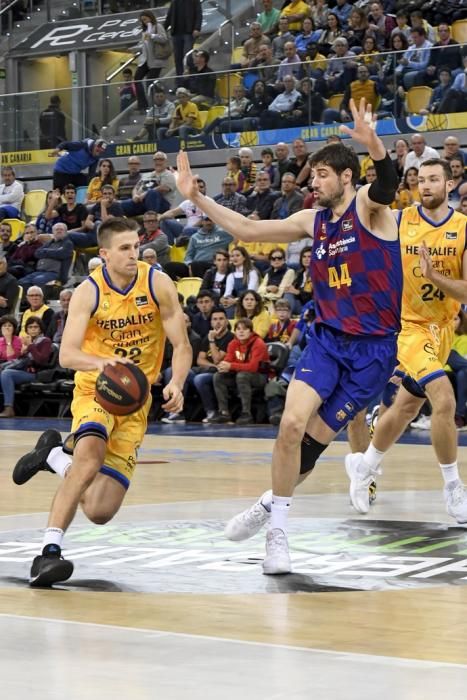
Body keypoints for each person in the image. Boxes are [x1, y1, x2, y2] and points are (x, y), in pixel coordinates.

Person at [176, 97, 402, 574]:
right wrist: (196, 197)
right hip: (326, 340)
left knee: (312, 447)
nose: (312, 181)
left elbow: (387, 183)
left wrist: (374, 145)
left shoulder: (369, 209)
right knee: (290, 427)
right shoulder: (310, 221)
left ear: (344, 177)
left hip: (374, 352)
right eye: (311, 175)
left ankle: (266, 504)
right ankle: (277, 534)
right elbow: (247, 228)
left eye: (321, 174)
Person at [12, 217, 192, 587]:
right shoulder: (88, 292)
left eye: (136, 245)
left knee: (99, 510)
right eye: (124, 248)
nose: (134, 253)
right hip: (97, 388)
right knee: (90, 459)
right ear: (105, 254)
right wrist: (104, 364)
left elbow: (183, 345)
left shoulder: (157, 283)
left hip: (137, 400)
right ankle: (48, 553)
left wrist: (177, 381)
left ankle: (53, 456)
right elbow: (69, 356)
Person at [345, 159, 467, 522]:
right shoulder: (398, 220)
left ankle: (364, 467)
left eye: (434, 180)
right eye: (421, 180)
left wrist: (435, 276)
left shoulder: (463, 228)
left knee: (406, 408)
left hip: (442, 328)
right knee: (444, 398)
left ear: (450, 185)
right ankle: (453, 487)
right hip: (406, 326)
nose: (425, 185)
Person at [211, 318, 270, 425]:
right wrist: (223, 366)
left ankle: (246, 413)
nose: (241, 331)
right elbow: (228, 360)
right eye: (238, 329)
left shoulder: (258, 343)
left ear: (251, 331)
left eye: (245, 329)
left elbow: (253, 367)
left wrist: (231, 365)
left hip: (260, 377)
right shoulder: (233, 343)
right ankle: (224, 412)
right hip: (240, 374)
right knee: (218, 376)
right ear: (235, 331)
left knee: (242, 376)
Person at [0, 315, 53, 418]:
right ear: (27, 329)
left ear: (40, 328)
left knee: (7, 373)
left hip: (35, 373)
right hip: (23, 370)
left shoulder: (45, 341)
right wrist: (23, 351)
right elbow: (21, 361)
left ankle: (9, 408)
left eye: (35, 327)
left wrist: (30, 346)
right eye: (30, 327)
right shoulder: (27, 341)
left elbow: (41, 360)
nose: (33, 329)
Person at [132, 12, 169, 112]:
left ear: (150, 18)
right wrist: (136, 48)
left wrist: (152, 36)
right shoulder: (144, 31)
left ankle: (154, 103)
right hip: (145, 59)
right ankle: (142, 104)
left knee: (150, 81)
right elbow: (143, 44)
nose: (144, 22)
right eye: (142, 20)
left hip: (156, 59)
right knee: (137, 78)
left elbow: (164, 39)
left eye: (145, 19)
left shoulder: (158, 26)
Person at [164, 0, 202, 83]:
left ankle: (192, 80)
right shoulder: (174, 2)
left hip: (188, 32)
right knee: (178, 59)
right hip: (176, 33)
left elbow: (199, 14)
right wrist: (163, 29)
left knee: (187, 58)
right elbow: (169, 16)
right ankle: (180, 82)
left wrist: (197, 28)